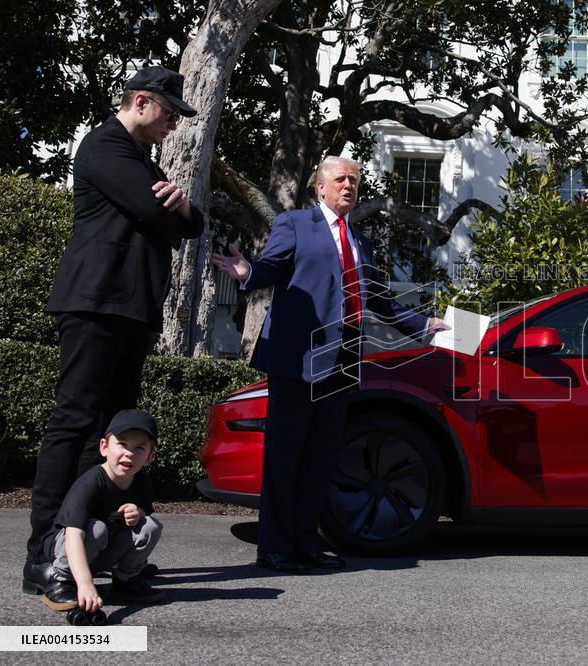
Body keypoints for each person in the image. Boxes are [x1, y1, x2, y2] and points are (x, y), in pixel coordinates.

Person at [210, 156, 448, 573]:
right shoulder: (296, 224)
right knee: (285, 457)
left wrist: (425, 325)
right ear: (320, 187)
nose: (348, 186)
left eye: (354, 181)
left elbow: (378, 300)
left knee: (320, 459)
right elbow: (270, 268)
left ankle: (305, 543)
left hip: (341, 362)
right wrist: (247, 272)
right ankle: (276, 547)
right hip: (298, 360)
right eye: (340, 179)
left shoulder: (361, 240)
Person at [23, 66, 203, 594]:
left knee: (109, 429)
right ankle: (43, 553)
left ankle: (91, 549)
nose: (173, 124)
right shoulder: (104, 147)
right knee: (74, 422)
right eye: (170, 113)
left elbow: (188, 224)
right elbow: (154, 210)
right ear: (142, 102)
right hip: (95, 302)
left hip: (132, 308)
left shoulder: (141, 160)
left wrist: (184, 211)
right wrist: (176, 213)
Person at [41, 409, 164, 613]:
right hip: (70, 550)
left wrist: (138, 512)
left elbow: (144, 513)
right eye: (122, 444)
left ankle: (126, 580)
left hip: (102, 552)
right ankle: (61, 581)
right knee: (96, 528)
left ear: (150, 457)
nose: (129, 453)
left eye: (139, 448)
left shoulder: (142, 481)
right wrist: (86, 584)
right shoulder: (91, 482)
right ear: (104, 447)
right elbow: (73, 535)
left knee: (150, 526)